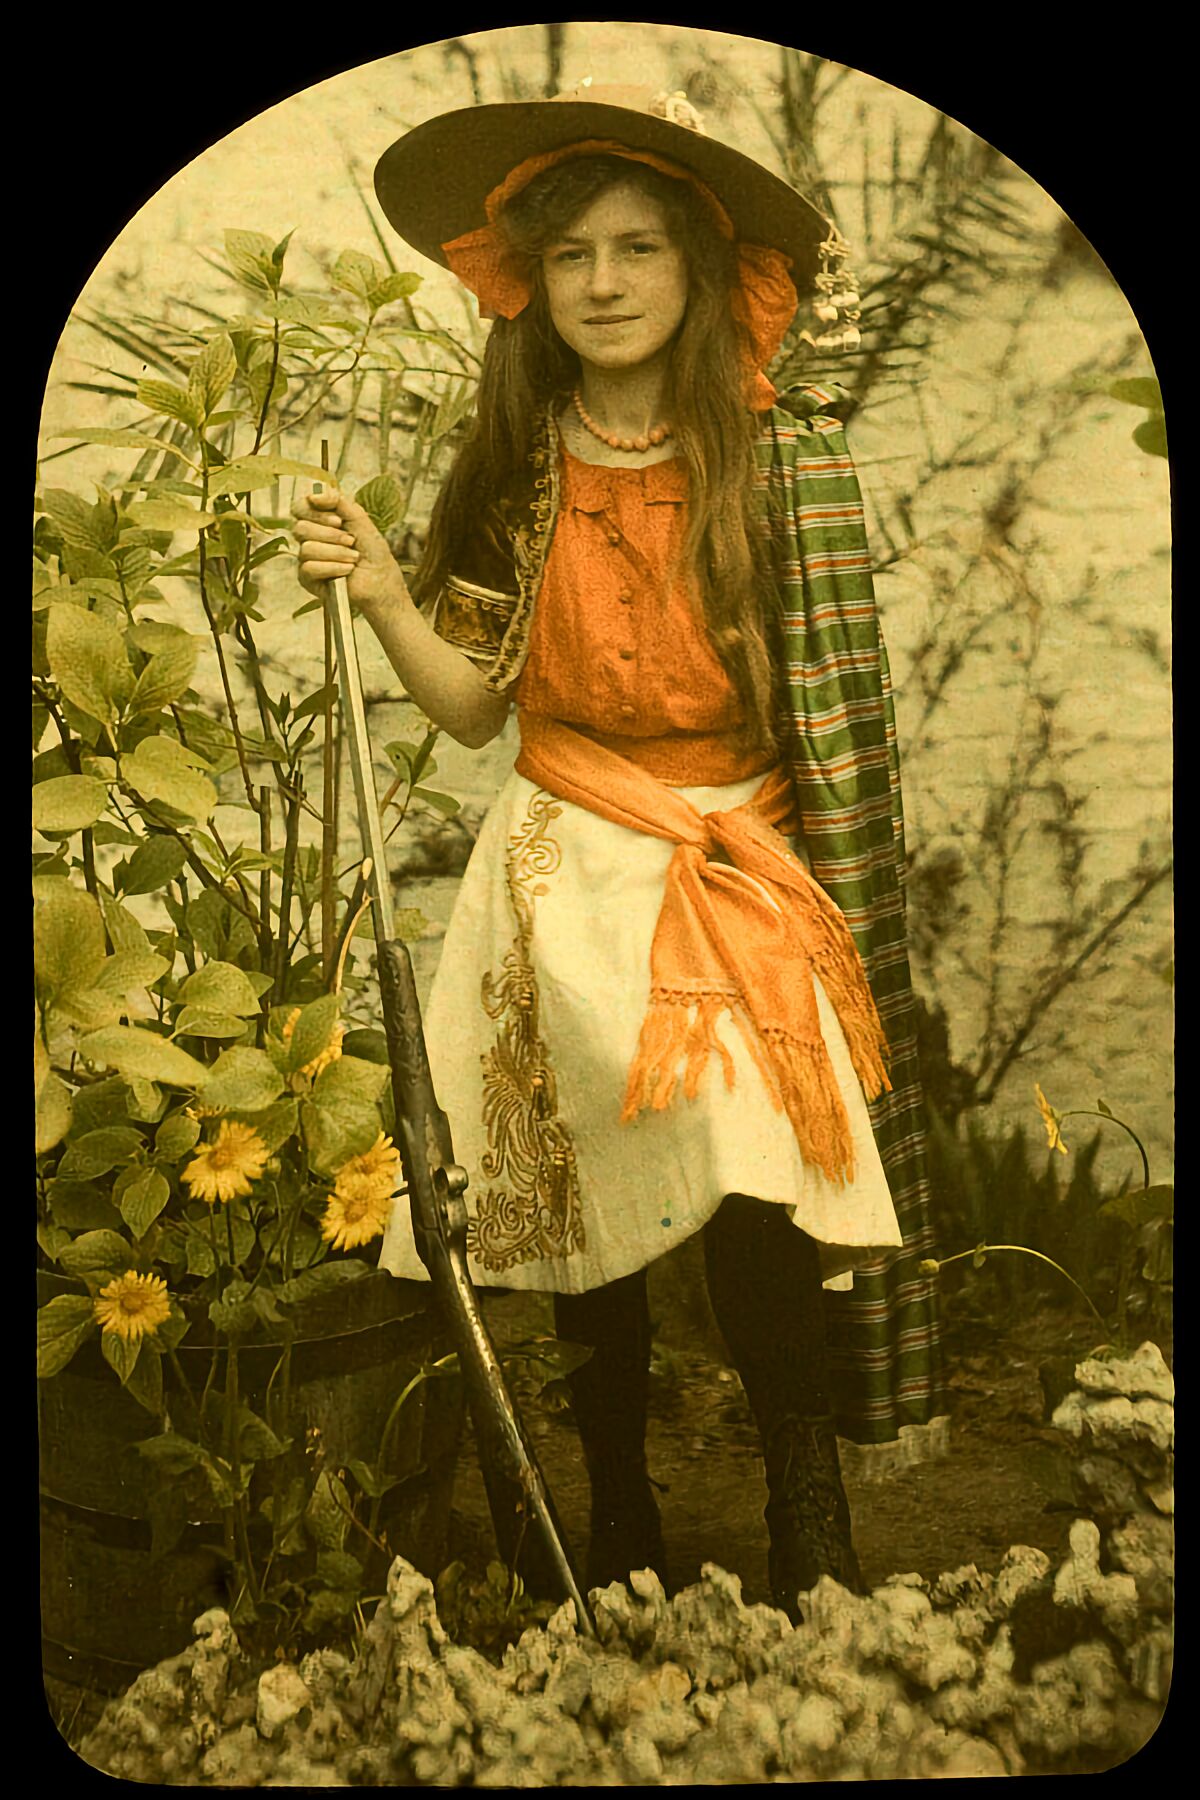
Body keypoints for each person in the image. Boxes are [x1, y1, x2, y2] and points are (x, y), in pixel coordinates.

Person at [292, 83, 945, 1622]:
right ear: (530, 279)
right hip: (562, 870)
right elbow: (468, 712)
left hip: (733, 866)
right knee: (582, 1197)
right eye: (572, 251)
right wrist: (385, 591)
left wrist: (790, 861)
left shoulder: (785, 466)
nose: (603, 281)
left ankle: (807, 1499)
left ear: (704, 270)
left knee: (761, 1175)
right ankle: (617, 1501)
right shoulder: (516, 471)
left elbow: (833, 727)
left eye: (638, 246)